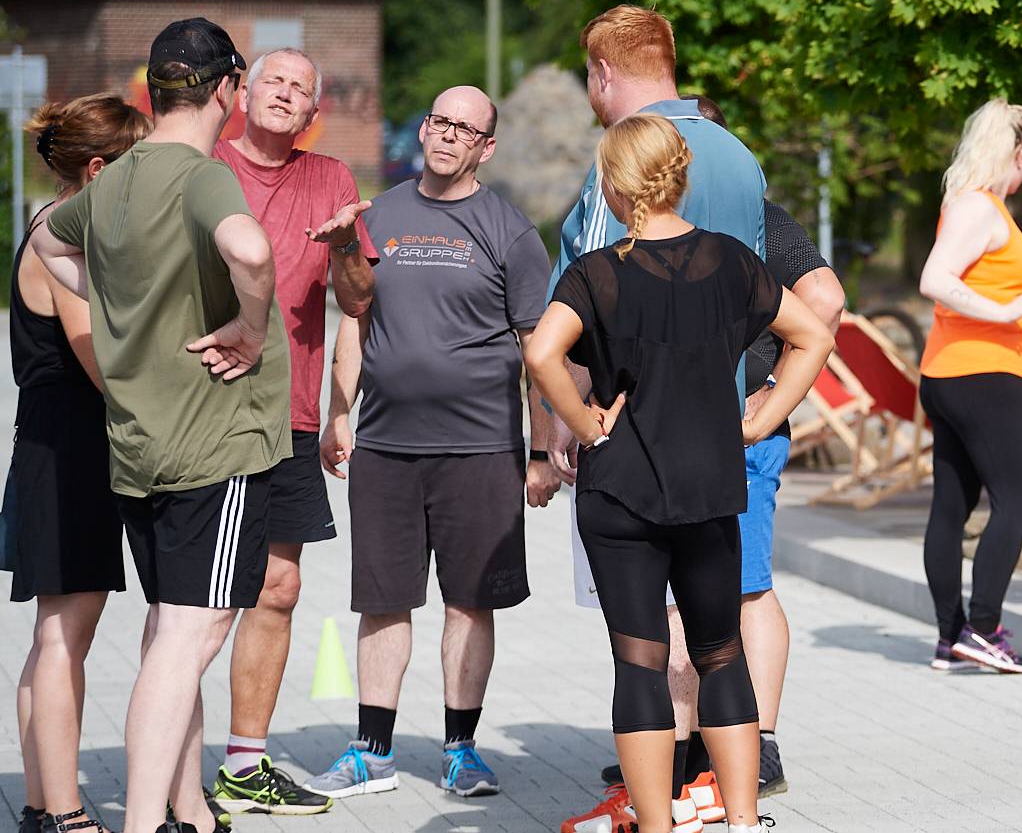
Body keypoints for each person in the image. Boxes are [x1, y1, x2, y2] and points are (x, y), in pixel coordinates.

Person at [527, 113, 831, 833]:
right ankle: (745, 819)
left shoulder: (596, 271)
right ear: (681, 175)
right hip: (708, 484)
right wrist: (761, 414)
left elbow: (541, 353)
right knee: (720, 653)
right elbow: (815, 331)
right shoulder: (731, 262)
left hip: (620, 488)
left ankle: (657, 824)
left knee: (640, 663)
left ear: (612, 182)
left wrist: (582, 421)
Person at [32, 17, 289, 833]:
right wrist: (250, 325)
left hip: (141, 441)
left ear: (153, 89)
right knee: (189, 638)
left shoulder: (113, 180)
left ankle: (174, 814)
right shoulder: (198, 173)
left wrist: (112, 298)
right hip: (211, 441)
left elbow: (43, 235)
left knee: (171, 635)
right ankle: (149, 823)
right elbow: (249, 250)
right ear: (227, 91)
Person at [306, 85, 556, 800]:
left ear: (486, 146)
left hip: (480, 448)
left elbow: (536, 346)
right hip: (386, 443)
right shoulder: (377, 216)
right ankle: (371, 751)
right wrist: (338, 412)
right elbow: (353, 319)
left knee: (469, 601)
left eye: (464, 128)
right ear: (424, 128)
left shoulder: (509, 230)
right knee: (382, 598)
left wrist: (540, 452)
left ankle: (460, 749)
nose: (447, 135)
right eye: (439, 121)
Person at [209, 47, 373, 817]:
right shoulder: (201, 165)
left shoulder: (330, 179)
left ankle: (245, 763)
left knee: (279, 585)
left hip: (292, 416)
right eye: (272, 80)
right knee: (195, 600)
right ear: (243, 94)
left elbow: (359, 300)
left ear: (314, 113)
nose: (284, 95)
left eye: (299, 89)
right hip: (203, 411)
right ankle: (170, 754)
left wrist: (344, 243)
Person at [7, 93, 148, 833]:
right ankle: (61, 809)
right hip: (68, 449)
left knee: (54, 632)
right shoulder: (63, 240)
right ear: (97, 171)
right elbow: (103, 362)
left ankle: (39, 801)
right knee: (66, 634)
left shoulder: (51, 224)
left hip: (52, 442)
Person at [917, 98, 1022, 674]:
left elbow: (1007, 306)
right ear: (1018, 153)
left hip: (950, 371)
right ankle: (984, 630)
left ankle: (952, 639)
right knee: (1017, 502)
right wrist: (1005, 310)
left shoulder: (970, 207)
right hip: (981, 374)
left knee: (953, 506)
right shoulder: (980, 209)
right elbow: (935, 281)